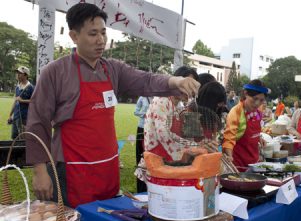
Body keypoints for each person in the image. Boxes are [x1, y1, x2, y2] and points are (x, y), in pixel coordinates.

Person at [25, 3, 200, 208]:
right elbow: (37, 122)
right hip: (71, 169)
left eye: (103, 33)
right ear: (74, 36)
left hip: (108, 167)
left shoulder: (112, 69)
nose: (101, 40)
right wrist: (40, 171)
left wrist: (175, 81)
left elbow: (145, 80)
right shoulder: (55, 72)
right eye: (93, 34)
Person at [223, 79, 270, 171]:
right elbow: (229, 138)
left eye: (261, 100)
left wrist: (258, 138)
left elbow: (253, 132)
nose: (257, 103)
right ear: (245, 94)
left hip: (254, 163)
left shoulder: (258, 112)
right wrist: (229, 157)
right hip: (238, 165)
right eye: (254, 99)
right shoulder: (236, 112)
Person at [8, 66, 34, 139]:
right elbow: (15, 101)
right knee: (14, 138)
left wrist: (22, 101)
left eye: (20, 73)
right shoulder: (17, 87)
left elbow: (34, 101)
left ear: (26, 75)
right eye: (17, 73)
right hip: (15, 117)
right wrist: (10, 115)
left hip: (24, 117)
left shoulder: (30, 87)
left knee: (22, 139)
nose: (17, 75)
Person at [134, 96, 152, 192]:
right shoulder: (141, 98)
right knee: (140, 156)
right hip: (142, 127)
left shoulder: (157, 97)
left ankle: (150, 185)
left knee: (150, 157)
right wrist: (144, 114)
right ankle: (141, 188)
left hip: (152, 129)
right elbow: (135, 112)